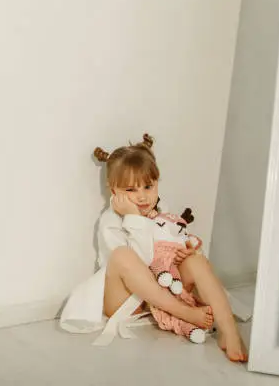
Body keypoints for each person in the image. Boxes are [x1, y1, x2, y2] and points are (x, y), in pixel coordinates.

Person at [59, 134, 248, 362]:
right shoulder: (111, 221)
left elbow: (168, 249)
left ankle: (229, 331)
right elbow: (144, 261)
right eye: (130, 190)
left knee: (196, 259)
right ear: (114, 191)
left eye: (148, 186)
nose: (142, 197)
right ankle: (184, 313)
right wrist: (132, 217)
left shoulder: (162, 211)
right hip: (127, 298)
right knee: (122, 256)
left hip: (165, 285)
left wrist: (183, 252)